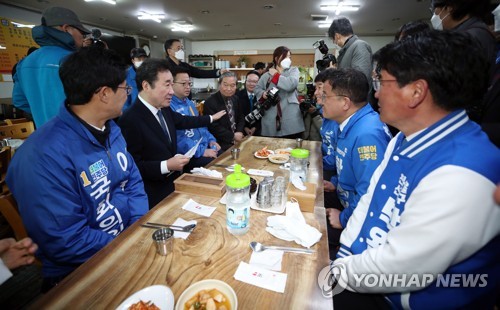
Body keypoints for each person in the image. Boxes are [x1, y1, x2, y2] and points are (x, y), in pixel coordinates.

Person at [332, 30, 500, 309]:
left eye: (381, 81)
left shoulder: (463, 173)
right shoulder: (404, 136)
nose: (375, 92)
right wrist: (343, 257)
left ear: (416, 92)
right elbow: (370, 202)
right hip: (363, 272)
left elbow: (400, 268)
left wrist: (334, 274)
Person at [6, 46, 149, 292]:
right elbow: (66, 239)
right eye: (126, 88)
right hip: (83, 270)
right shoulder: (42, 156)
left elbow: (133, 182)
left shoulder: (111, 129)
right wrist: (127, 246)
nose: (129, 94)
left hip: (128, 243)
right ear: (104, 93)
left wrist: (137, 228)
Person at [118, 59, 226, 208]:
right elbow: (133, 167)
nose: (171, 91)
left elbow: (184, 121)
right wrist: (166, 165)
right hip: (153, 195)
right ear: (146, 86)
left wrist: (210, 118)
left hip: (174, 185)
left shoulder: (164, 108)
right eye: (167, 84)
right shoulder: (130, 120)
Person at [320, 68, 391, 241]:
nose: (321, 102)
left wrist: (344, 219)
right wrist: (335, 183)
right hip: (345, 201)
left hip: (359, 219)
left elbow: (370, 191)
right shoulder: (347, 123)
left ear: (345, 103)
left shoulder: (367, 135)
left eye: (325, 96)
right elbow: (345, 164)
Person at [12, 6, 91, 127]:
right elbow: (93, 104)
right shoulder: (73, 60)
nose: (83, 38)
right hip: (77, 137)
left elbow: (19, 101)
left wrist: (43, 113)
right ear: (67, 29)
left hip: (46, 137)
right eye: (82, 33)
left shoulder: (24, 63)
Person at [169, 67, 221, 171]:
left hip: (204, 147)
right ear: (172, 84)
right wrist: (202, 151)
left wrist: (211, 140)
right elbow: (179, 139)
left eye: (189, 84)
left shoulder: (188, 102)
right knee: (217, 165)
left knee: (225, 156)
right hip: (189, 155)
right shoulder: (169, 106)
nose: (188, 87)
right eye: (183, 84)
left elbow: (201, 126)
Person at [430, 0, 495, 79]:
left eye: (433, 11)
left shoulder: (467, 40)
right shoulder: (475, 30)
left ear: (449, 8)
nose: (434, 15)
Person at [254, 46, 304, 138]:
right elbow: (257, 89)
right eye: (285, 57)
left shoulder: (293, 71)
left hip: (291, 118)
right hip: (270, 118)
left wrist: (276, 75)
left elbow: (291, 85)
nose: (288, 59)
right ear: (277, 58)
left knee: (291, 149)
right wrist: (263, 94)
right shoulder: (266, 75)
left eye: (289, 57)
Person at [204, 72, 245, 151]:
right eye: (225, 85)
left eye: (232, 85)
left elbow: (241, 117)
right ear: (219, 85)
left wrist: (239, 132)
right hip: (220, 143)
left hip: (238, 140)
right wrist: (232, 136)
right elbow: (213, 127)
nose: (229, 89)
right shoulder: (210, 102)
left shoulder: (235, 98)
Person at [328, 17, 373, 88]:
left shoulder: (359, 45)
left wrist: (335, 73)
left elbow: (360, 80)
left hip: (358, 98)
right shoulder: (346, 50)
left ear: (337, 36)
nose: (334, 42)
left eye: (333, 40)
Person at [236, 70, 261, 136]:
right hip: (241, 131)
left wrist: (255, 127)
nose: (251, 84)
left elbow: (264, 114)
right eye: (249, 81)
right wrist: (244, 127)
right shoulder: (237, 96)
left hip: (259, 131)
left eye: (255, 82)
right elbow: (236, 114)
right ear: (245, 81)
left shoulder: (262, 96)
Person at [123, 47, 148, 112]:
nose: (142, 61)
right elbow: (124, 102)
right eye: (139, 59)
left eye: (144, 59)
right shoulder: (126, 75)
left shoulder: (150, 73)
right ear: (133, 60)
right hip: (133, 112)